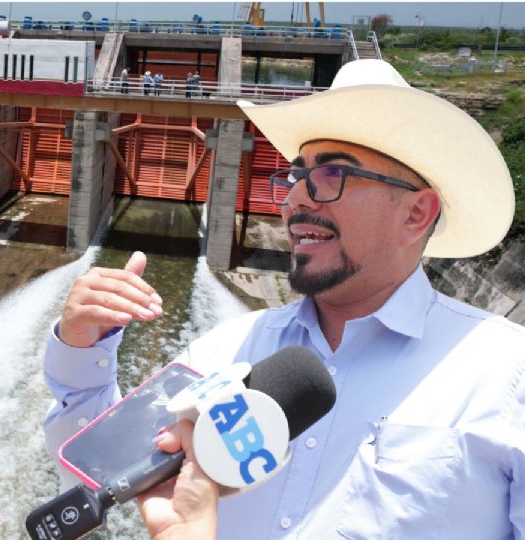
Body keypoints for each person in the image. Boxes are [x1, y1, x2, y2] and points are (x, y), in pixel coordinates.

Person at [42, 59, 524, 538]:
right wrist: (81, 352)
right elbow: (96, 469)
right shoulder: (220, 354)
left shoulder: (504, 373)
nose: (295, 200)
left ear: (417, 213)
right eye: (296, 177)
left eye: (332, 175)